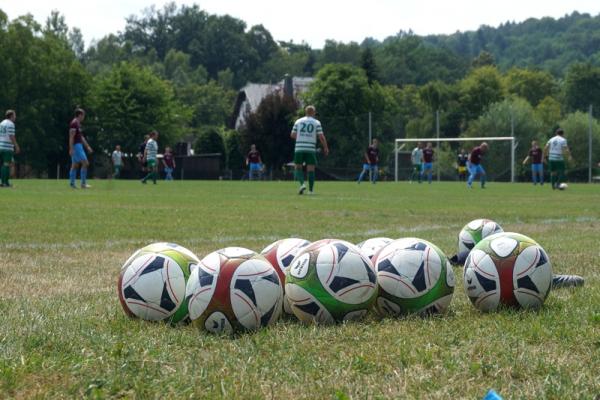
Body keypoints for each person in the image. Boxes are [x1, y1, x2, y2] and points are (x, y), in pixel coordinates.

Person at [291, 105, 329, 195]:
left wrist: (301, 137)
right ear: (313, 113)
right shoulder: (316, 122)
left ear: (305, 112)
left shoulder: (298, 121)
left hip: (299, 147)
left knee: (297, 167)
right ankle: (311, 191)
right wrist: (325, 147)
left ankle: (302, 184)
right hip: (310, 148)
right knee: (311, 169)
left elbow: (292, 135)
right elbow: (321, 137)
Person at [68, 108, 93, 189]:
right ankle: (83, 184)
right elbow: (71, 137)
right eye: (83, 115)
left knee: (75, 165)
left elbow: (81, 137)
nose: (84, 117)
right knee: (85, 163)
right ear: (79, 115)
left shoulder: (78, 124)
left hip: (79, 145)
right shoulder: (74, 123)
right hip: (76, 146)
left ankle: (72, 184)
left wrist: (87, 146)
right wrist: (71, 148)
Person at [0, 110, 20, 188]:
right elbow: (11, 136)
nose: (15, 117)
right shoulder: (11, 124)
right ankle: (5, 183)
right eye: (15, 115)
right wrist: (16, 146)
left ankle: (4, 182)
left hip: (0, 146)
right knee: (6, 165)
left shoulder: (1, 123)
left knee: (6, 164)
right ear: (11, 116)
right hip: (7, 147)